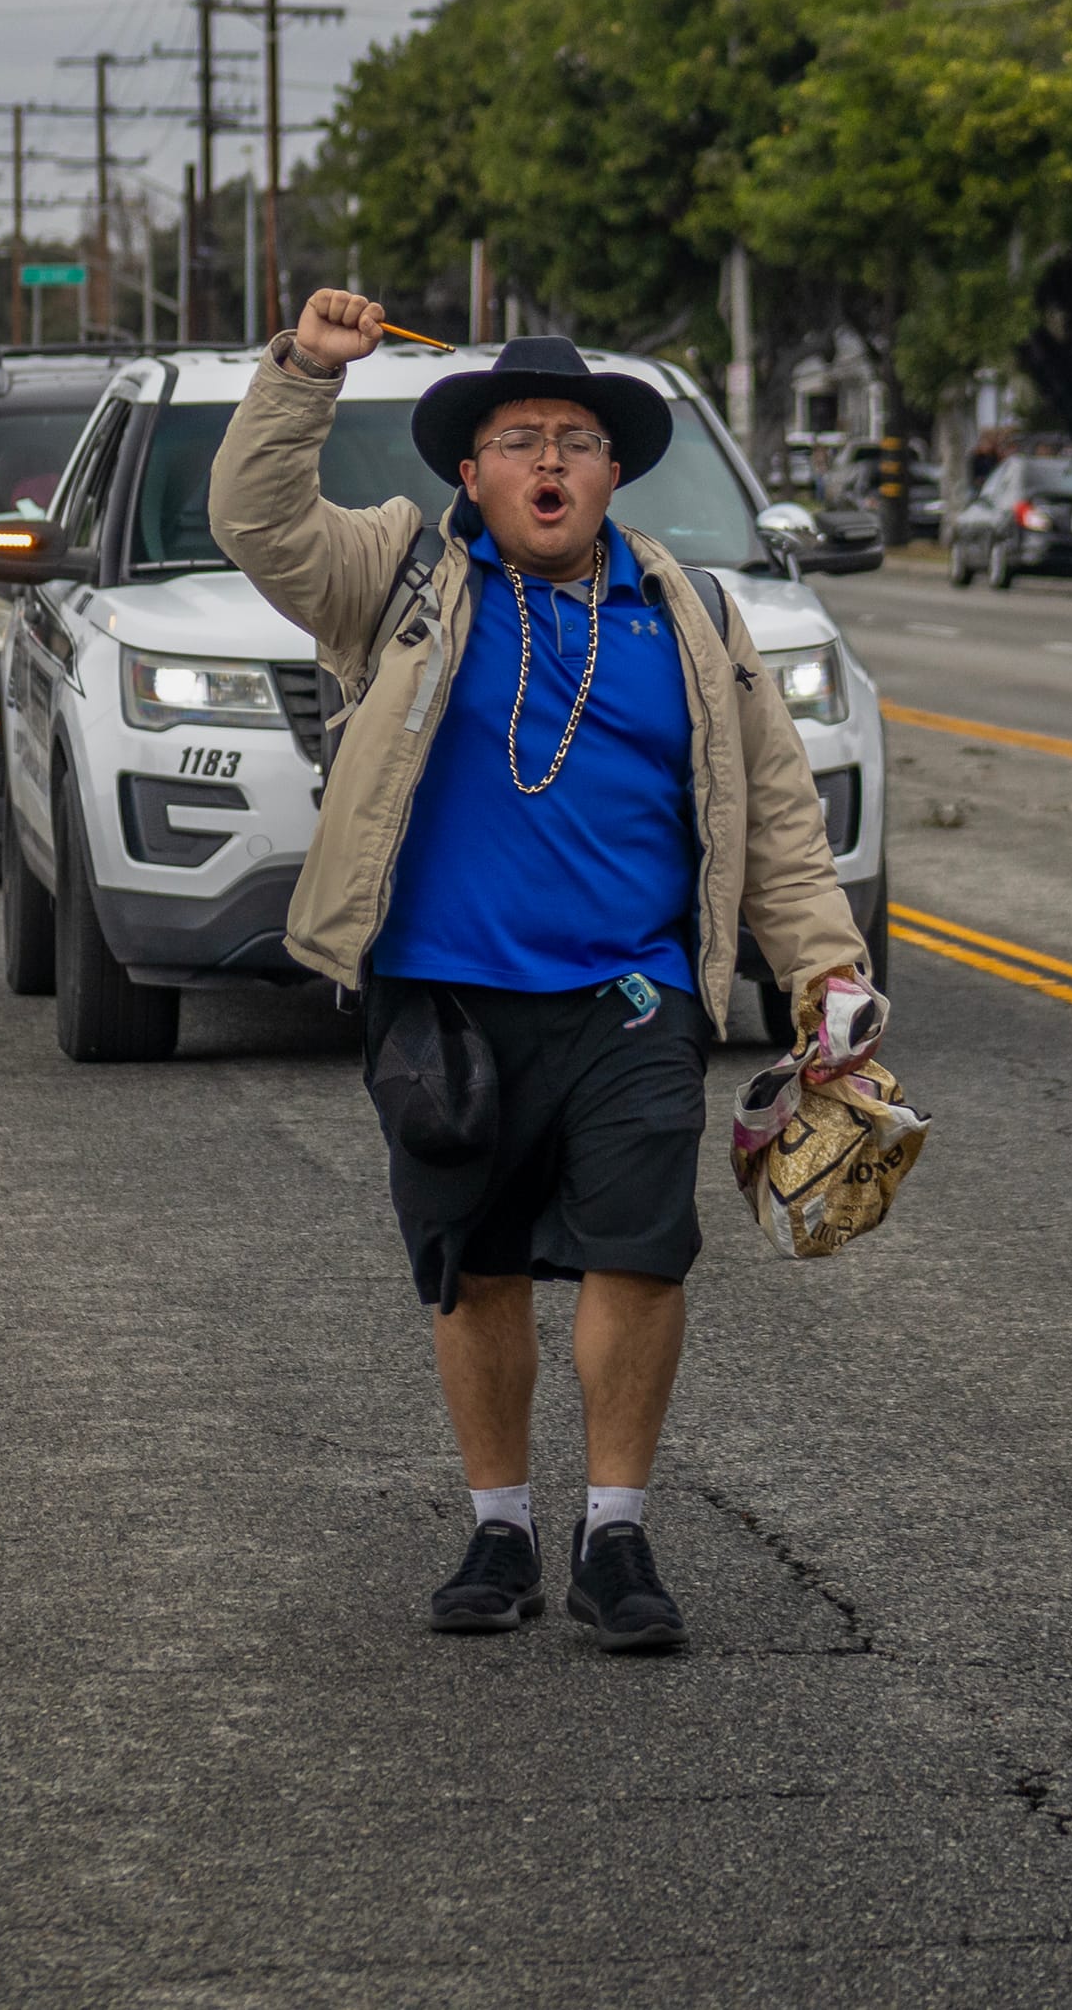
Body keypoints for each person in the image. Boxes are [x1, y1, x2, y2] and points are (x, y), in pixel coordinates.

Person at [208, 294, 871, 1654]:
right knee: (477, 1268)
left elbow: (779, 816)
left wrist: (825, 974)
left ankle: (614, 1531)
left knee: (643, 1253)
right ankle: (501, 1524)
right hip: (442, 1005)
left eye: (576, 438)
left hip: (634, 1000)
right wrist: (299, 378)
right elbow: (260, 523)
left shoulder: (691, 617)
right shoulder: (396, 583)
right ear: (472, 469)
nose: (549, 461)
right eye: (520, 439)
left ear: (615, 471)